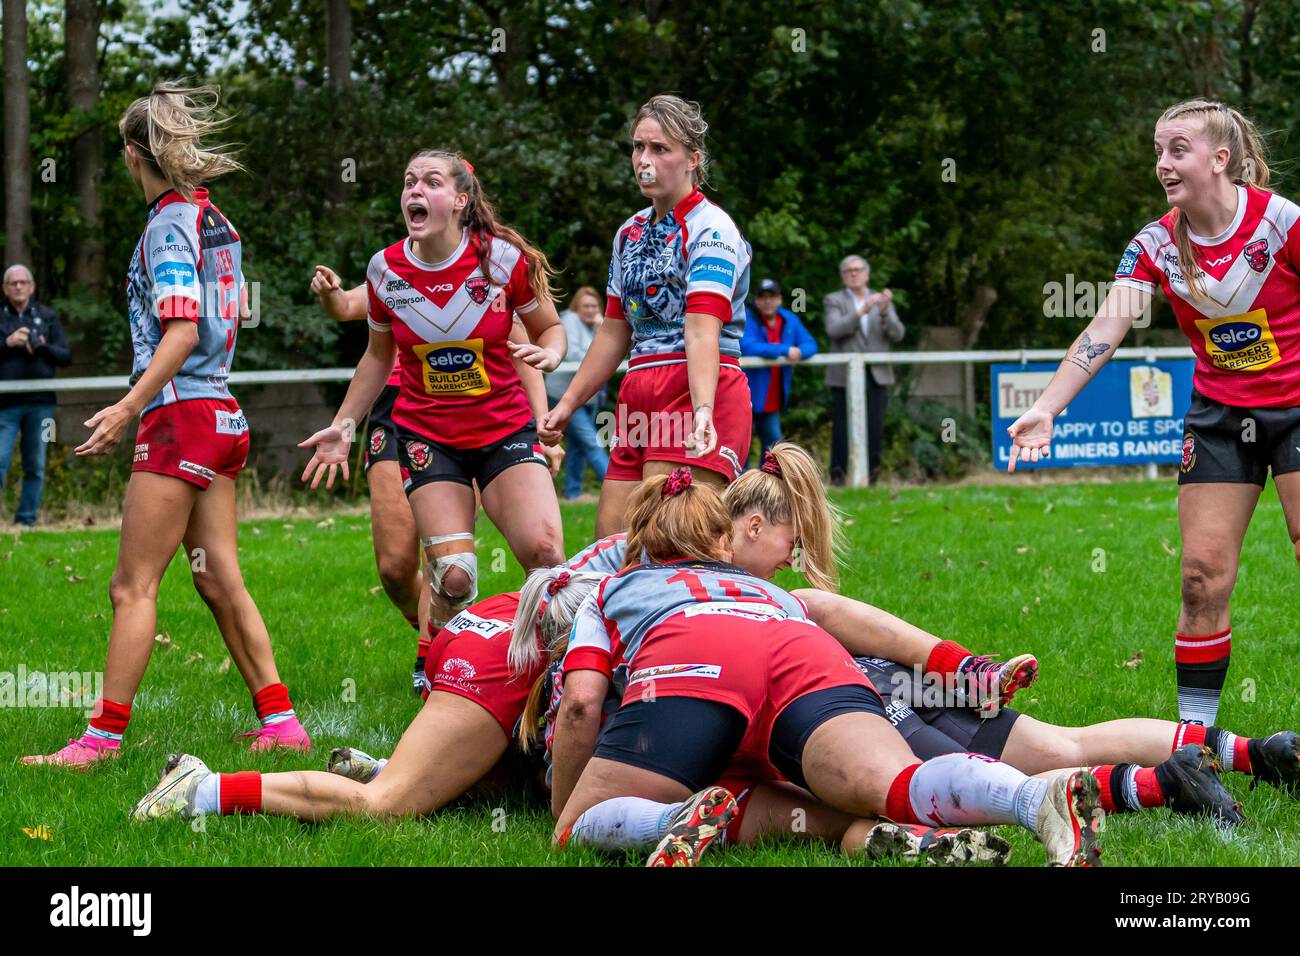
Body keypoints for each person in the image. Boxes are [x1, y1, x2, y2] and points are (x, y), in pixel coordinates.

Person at [540, 469, 1106, 867]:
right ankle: (1034, 800)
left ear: (639, 540)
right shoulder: (775, 593)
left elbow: (582, 702)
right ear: (723, 540)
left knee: (583, 824)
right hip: (799, 650)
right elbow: (830, 614)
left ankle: (673, 820)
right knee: (898, 782)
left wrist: (562, 811)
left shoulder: (613, 587)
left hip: (695, 662)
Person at [21, 82, 310, 767]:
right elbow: (221, 319)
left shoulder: (167, 225)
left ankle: (100, 740)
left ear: (131, 156)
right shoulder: (215, 218)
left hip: (182, 414)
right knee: (216, 576)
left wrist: (128, 406)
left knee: (132, 585)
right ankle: (281, 721)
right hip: (221, 413)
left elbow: (181, 330)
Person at [1005, 99, 1300, 729]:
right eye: (1158, 151)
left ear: (1221, 159)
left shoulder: (1281, 225)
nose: (1162, 163)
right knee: (1200, 578)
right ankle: (1194, 744)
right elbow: (1106, 327)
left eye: (1177, 149)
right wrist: (1048, 409)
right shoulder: (1156, 244)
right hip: (1221, 416)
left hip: (1297, 410)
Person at [298, 150, 568, 637]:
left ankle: (558, 674)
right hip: (426, 433)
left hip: (503, 428)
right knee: (451, 574)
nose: (415, 191)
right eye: (408, 182)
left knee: (547, 555)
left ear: (461, 200)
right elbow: (376, 356)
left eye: (431, 182)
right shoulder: (386, 270)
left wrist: (550, 365)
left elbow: (545, 331)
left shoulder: (502, 259)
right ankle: (442, 668)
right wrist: (344, 425)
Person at [128, 572, 605, 825]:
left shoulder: (597, 567)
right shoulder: (612, 603)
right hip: (493, 667)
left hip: (475, 630)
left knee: (499, 785)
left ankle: (383, 767)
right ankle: (201, 789)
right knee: (382, 807)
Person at [310, 266, 562, 694]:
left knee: (447, 560)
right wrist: (329, 293)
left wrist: (544, 422)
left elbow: (523, 345)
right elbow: (348, 308)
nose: (417, 196)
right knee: (393, 567)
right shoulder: (392, 268)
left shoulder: (489, 271)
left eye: (428, 191)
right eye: (412, 191)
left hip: (468, 410)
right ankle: (434, 629)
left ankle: (435, 655)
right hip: (394, 408)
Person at [541, 94, 753, 537]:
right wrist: (567, 403)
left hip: (694, 386)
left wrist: (702, 411)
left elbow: (700, 332)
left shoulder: (712, 228)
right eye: (639, 147)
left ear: (693, 159)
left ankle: (751, 603)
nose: (644, 159)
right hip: (640, 391)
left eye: (660, 149)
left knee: (671, 544)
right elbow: (615, 331)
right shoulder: (629, 232)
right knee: (611, 547)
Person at [1, 264, 71, 526]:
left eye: (23, 282)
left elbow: (66, 356)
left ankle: (26, 522)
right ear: (5, 289)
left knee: (36, 464)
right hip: (4, 405)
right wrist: (7, 344)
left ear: (32, 287)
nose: (18, 287)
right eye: (12, 283)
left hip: (41, 405)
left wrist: (41, 346)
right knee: (0, 460)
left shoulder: (48, 316)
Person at [823, 255, 903, 484]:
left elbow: (898, 334)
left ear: (867, 274)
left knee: (875, 428)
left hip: (877, 374)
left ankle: (872, 478)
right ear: (843, 276)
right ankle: (838, 478)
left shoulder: (882, 301)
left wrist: (885, 312)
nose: (854, 273)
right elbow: (834, 329)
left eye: (858, 269)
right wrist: (861, 312)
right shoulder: (834, 299)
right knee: (841, 428)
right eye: (849, 270)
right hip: (843, 376)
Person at [740, 278, 818, 465]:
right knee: (741, 445)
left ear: (780, 299)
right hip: (744, 394)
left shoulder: (789, 319)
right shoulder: (745, 318)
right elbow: (746, 345)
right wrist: (784, 350)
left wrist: (799, 352)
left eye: (772, 296)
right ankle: (738, 488)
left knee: (774, 444)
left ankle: (769, 487)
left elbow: (811, 344)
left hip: (771, 397)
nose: (767, 301)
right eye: (763, 297)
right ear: (756, 300)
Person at [547, 286, 609, 499]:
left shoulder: (595, 326)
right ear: (577, 307)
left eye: (594, 306)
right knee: (592, 442)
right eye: (586, 306)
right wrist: (601, 356)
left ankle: (572, 494)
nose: (591, 310)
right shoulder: (570, 321)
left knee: (577, 447)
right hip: (564, 395)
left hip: (588, 397)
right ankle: (616, 489)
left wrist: (601, 328)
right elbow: (573, 354)